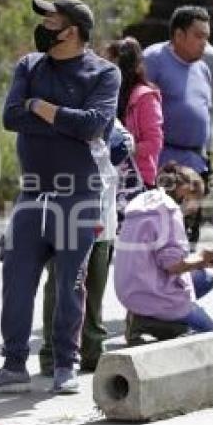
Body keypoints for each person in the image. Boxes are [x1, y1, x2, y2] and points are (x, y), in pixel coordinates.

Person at [0, 0, 119, 395]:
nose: (44, 24)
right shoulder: (28, 65)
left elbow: (94, 126)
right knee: (16, 278)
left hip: (78, 195)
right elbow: (11, 116)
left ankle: (64, 365)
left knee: (71, 282)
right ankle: (13, 364)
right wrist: (60, 118)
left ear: (73, 31)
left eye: (52, 18)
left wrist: (39, 107)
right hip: (32, 194)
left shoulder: (105, 73)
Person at [38, 121, 132, 376]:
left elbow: (120, 148)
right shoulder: (56, 117)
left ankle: (92, 351)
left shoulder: (113, 125)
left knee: (94, 288)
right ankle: (52, 354)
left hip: (103, 218)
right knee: (60, 285)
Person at [115, 163, 213, 343]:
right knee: (211, 336)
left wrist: (202, 261)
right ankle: (154, 323)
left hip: (130, 290)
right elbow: (172, 266)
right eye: (197, 200)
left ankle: (141, 316)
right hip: (152, 293)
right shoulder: (169, 212)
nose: (196, 208)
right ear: (186, 191)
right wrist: (203, 258)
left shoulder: (144, 200)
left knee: (206, 279)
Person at [143, 6, 213, 179]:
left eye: (206, 37)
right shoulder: (153, 60)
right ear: (179, 35)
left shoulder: (204, 69)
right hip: (165, 163)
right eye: (198, 36)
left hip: (197, 164)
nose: (204, 43)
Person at [103, 36, 163, 188]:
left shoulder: (145, 97)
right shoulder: (106, 95)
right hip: (109, 177)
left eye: (117, 65)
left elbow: (154, 143)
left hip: (138, 179)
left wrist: (124, 147)